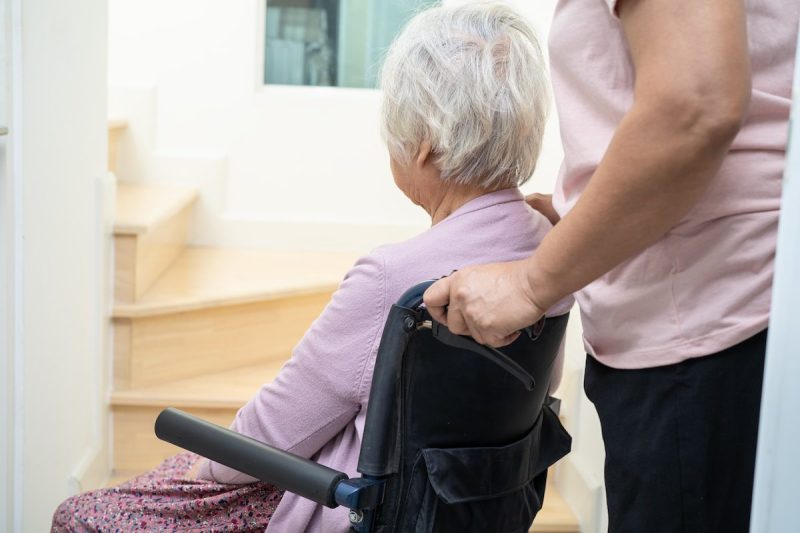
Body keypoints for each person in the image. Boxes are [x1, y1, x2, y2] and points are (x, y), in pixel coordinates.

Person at [51, 4, 572, 532]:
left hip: (351, 510)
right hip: (463, 508)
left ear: (422, 144)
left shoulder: (396, 279)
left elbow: (271, 435)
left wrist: (199, 465)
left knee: (79, 516)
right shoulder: (550, 251)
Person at [424, 0, 798, 532]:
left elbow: (694, 107)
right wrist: (576, 212)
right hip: (715, 316)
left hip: (704, 321)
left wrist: (531, 284)